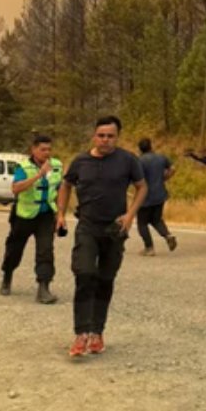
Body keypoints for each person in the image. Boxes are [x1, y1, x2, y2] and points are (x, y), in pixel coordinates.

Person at [56, 115, 146, 359]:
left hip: (114, 229)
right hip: (87, 226)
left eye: (111, 136)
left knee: (106, 278)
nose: (105, 140)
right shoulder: (81, 161)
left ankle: (97, 332)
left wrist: (130, 216)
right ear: (94, 136)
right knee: (84, 274)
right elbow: (66, 185)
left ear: (117, 137)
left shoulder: (128, 160)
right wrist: (61, 214)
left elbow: (142, 187)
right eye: (101, 135)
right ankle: (81, 333)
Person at [0, 134, 63, 303]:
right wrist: (39, 175)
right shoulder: (23, 166)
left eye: (49, 149)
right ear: (33, 150)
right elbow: (16, 189)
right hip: (24, 215)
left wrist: (60, 214)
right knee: (14, 249)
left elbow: (60, 189)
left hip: (46, 215)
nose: (47, 153)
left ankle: (44, 288)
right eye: (43, 149)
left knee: (45, 251)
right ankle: (7, 276)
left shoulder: (57, 165)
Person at [136, 137, 178, 256]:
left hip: (145, 197)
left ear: (139, 149)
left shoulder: (139, 161)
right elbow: (173, 168)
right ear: (151, 146)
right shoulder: (161, 157)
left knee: (142, 223)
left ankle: (149, 248)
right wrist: (164, 178)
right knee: (156, 219)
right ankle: (168, 235)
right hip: (160, 194)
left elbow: (137, 178)